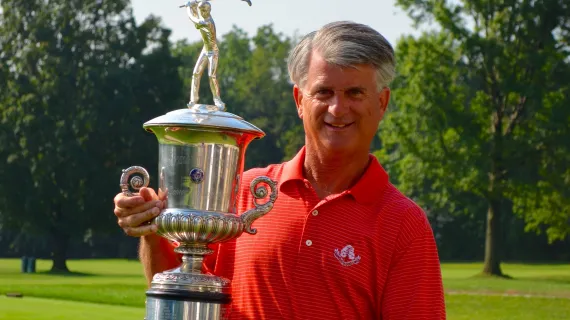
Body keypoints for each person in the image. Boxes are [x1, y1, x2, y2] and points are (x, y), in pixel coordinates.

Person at [114, 21, 446, 319]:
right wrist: (152, 231)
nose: (337, 108)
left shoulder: (404, 224)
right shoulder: (240, 192)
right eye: (324, 92)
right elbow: (181, 290)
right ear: (300, 100)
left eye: (355, 93)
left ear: (382, 103)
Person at [185, 0, 225, 109]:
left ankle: (218, 101)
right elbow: (197, 16)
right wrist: (194, 7)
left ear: (209, 10)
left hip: (213, 51)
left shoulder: (208, 22)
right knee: (196, 73)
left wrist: (188, 8)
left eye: (205, 10)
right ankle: (193, 100)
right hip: (205, 49)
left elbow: (193, 19)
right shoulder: (202, 17)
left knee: (211, 75)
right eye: (201, 10)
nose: (203, 12)